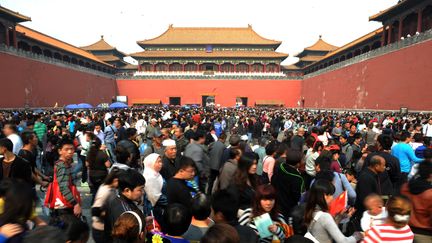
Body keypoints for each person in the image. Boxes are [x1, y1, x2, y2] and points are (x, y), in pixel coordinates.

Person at [104, 169, 146, 243]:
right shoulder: (125, 212)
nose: (143, 192)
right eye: (140, 189)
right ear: (127, 190)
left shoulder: (117, 199)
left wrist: (143, 220)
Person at [49, 138, 82, 221]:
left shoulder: (62, 163)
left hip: (62, 204)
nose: (70, 152)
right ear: (60, 151)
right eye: (66, 149)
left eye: (72, 149)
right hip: (64, 205)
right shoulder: (62, 165)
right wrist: (75, 204)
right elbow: (63, 187)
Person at [400, 161, 432, 242]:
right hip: (425, 234)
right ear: (430, 175)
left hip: (405, 232)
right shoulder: (429, 194)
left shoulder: (405, 188)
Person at [271, 149, 305, 218]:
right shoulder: (298, 178)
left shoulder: (280, 167)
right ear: (298, 164)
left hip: (275, 203)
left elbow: (272, 180)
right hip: (288, 209)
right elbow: (298, 197)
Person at [91, 168, 121, 243]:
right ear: (115, 180)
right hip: (101, 230)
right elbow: (95, 211)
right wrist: (109, 214)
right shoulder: (105, 192)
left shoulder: (109, 187)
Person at [143, 153, 167, 225]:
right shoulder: (149, 177)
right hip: (154, 210)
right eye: (158, 162)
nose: (161, 164)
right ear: (151, 163)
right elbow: (155, 197)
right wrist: (171, 200)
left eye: (161, 161)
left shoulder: (156, 174)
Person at [86, 136, 111, 202]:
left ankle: (94, 203)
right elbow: (108, 165)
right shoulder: (102, 154)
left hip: (92, 175)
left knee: (95, 191)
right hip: (102, 175)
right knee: (102, 191)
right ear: (99, 145)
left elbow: (87, 164)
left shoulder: (89, 153)